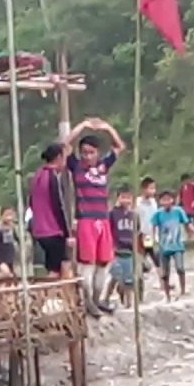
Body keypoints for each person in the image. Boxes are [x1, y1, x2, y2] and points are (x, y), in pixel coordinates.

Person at [63, 118, 126, 313]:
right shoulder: (76, 166)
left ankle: (99, 299)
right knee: (87, 263)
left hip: (103, 219)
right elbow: (65, 145)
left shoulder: (104, 166)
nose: (88, 156)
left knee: (103, 261)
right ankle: (88, 300)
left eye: (91, 153)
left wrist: (107, 128)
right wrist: (82, 126)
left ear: (98, 153)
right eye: (84, 153)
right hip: (86, 219)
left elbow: (119, 146)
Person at [29, 142, 72, 283]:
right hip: (53, 231)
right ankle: (54, 298)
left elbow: (31, 202)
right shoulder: (53, 177)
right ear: (59, 157)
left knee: (52, 267)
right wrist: (67, 233)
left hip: (39, 231)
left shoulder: (37, 176)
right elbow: (58, 206)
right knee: (59, 268)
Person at [151, 189, 191, 300]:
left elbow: (186, 223)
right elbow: (153, 227)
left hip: (177, 245)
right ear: (160, 201)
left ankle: (183, 289)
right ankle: (167, 294)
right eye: (164, 200)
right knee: (165, 272)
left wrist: (192, 233)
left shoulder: (178, 211)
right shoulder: (158, 214)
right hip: (164, 246)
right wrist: (153, 240)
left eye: (168, 199)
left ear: (173, 200)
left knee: (180, 268)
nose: (166, 202)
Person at [107, 188, 139, 307]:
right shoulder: (112, 214)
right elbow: (109, 230)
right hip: (116, 249)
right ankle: (106, 298)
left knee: (129, 278)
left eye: (128, 197)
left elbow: (137, 232)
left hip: (130, 250)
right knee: (115, 276)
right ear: (118, 198)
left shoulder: (134, 215)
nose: (126, 200)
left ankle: (129, 303)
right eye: (123, 197)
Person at [136, 176, 160, 270]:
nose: (153, 191)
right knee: (142, 259)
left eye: (154, 188)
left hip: (152, 235)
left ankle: (164, 283)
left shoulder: (154, 202)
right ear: (144, 189)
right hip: (141, 234)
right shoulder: (137, 202)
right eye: (151, 188)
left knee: (157, 260)